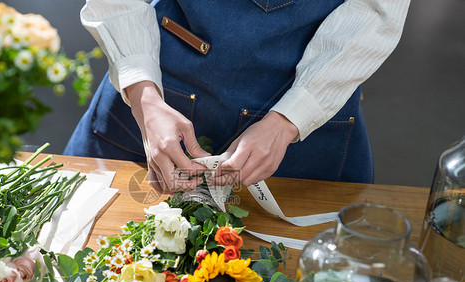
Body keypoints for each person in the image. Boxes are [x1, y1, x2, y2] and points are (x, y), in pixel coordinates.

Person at [64, 0, 410, 193]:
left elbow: (376, 12)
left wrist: (288, 121)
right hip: (158, 92)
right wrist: (146, 101)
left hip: (311, 117)